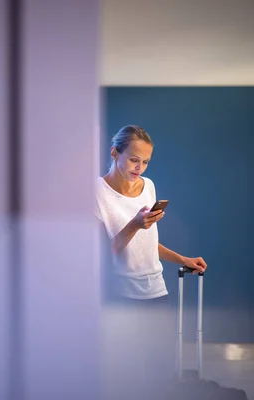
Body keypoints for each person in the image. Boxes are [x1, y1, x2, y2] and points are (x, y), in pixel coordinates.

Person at [95, 125, 208, 399]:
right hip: (121, 295)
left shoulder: (149, 187)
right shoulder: (96, 193)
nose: (140, 168)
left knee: (159, 370)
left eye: (145, 161)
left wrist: (182, 259)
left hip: (155, 290)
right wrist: (134, 225)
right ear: (114, 153)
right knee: (126, 375)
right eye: (134, 159)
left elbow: (147, 243)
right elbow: (102, 253)